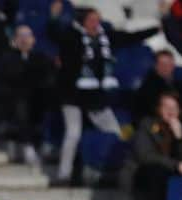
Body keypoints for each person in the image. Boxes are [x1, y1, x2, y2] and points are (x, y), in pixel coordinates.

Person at [47, 1, 158, 185]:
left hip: (95, 97)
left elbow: (129, 37)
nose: (95, 23)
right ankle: (63, 174)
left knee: (114, 131)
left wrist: (154, 30)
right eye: (91, 20)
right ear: (83, 21)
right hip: (72, 95)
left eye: (97, 20)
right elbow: (53, 34)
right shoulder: (71, 37)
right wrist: (53, 17)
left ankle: (116, 170)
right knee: (73, 133)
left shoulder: (106, 36)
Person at [120, 92, 182, 200]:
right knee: (157, 171)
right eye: (166, 107)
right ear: (158, 109)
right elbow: (146, 156)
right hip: (143, 175)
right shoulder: (146, 125)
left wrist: (180, 138)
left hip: (171, 172)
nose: (170, 112)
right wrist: (176, 165)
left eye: (174, 108)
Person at [0, 24, 55, 165]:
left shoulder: (41, 58)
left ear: (33, 39)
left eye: (27, 36)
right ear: (14, 40)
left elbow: (47, 79)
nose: (24, 40)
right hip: (13, 98)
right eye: (20, 36)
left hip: (37, 97)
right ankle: (28, 147)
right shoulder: (7, 58)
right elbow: (5, 81)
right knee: (22, 107)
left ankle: (43, 144)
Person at [133, 49, 182, 127]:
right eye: (162, 64)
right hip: (158, 124)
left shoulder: (178, 84)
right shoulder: (149, 85)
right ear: (156, 66)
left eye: (169, 64)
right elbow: (151, 110)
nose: (166, 67)